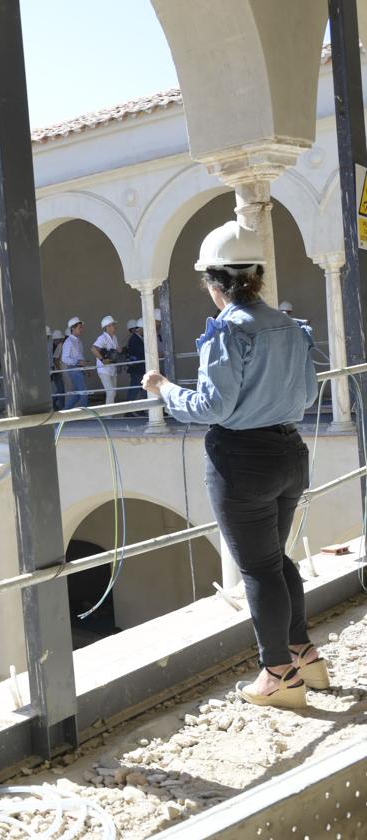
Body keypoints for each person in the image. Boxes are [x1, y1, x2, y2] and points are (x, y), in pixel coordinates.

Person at [143, 220, 321, 709]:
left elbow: (212, 408)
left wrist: (164, 391)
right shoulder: (290, 325)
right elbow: (307, 395)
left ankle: (279, 673)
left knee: (259, 569)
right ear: (257, 277)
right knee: (275, 559)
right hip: (289, 451)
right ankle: (304, 653)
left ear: (214, 284)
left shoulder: (227, 331)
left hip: (243, 461)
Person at [92, 315, 121, 404]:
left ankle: (109, 415)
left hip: (112, 368)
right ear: (107, 327)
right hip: (104, 370)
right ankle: (109, 416)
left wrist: (119, 350)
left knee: (113, 393)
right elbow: (93, 348)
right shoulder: (102, 338)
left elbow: (116, 349)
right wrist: (102, 359)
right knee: (111, 392)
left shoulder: (114, 337)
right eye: (113, 324)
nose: (115, 326)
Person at [60, 316, 88, 408]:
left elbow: (80, 356)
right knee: (84, 393)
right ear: (73, 328)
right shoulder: (69, 342)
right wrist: (78, 362)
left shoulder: (78, 341)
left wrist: (85, 368)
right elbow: (64, 358)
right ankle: (86, 416)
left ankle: (64, 413)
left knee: (76, 395)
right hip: (74, 369)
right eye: (79, 327)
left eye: (81, 327)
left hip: (78, 369)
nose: (82, 329)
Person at [126, 319, 146, 401]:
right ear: (141, 328)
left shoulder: (139, 338)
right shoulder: (134, 339)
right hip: (137, 368)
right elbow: (142, 351)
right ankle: (129, 412)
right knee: (134, 389)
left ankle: (140, 409)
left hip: (141, 368)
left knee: (142, 389)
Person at [50, 329, 66, 409]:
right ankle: (60, 406)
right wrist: (60, 370)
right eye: (59, 340)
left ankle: (56, 404)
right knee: (61, 389)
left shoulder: (56, 345)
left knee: (61, 389)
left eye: (60, 339)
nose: (59, 341)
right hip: (55, 370)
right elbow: (55, 359)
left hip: (55, 370)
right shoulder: (51, 346)